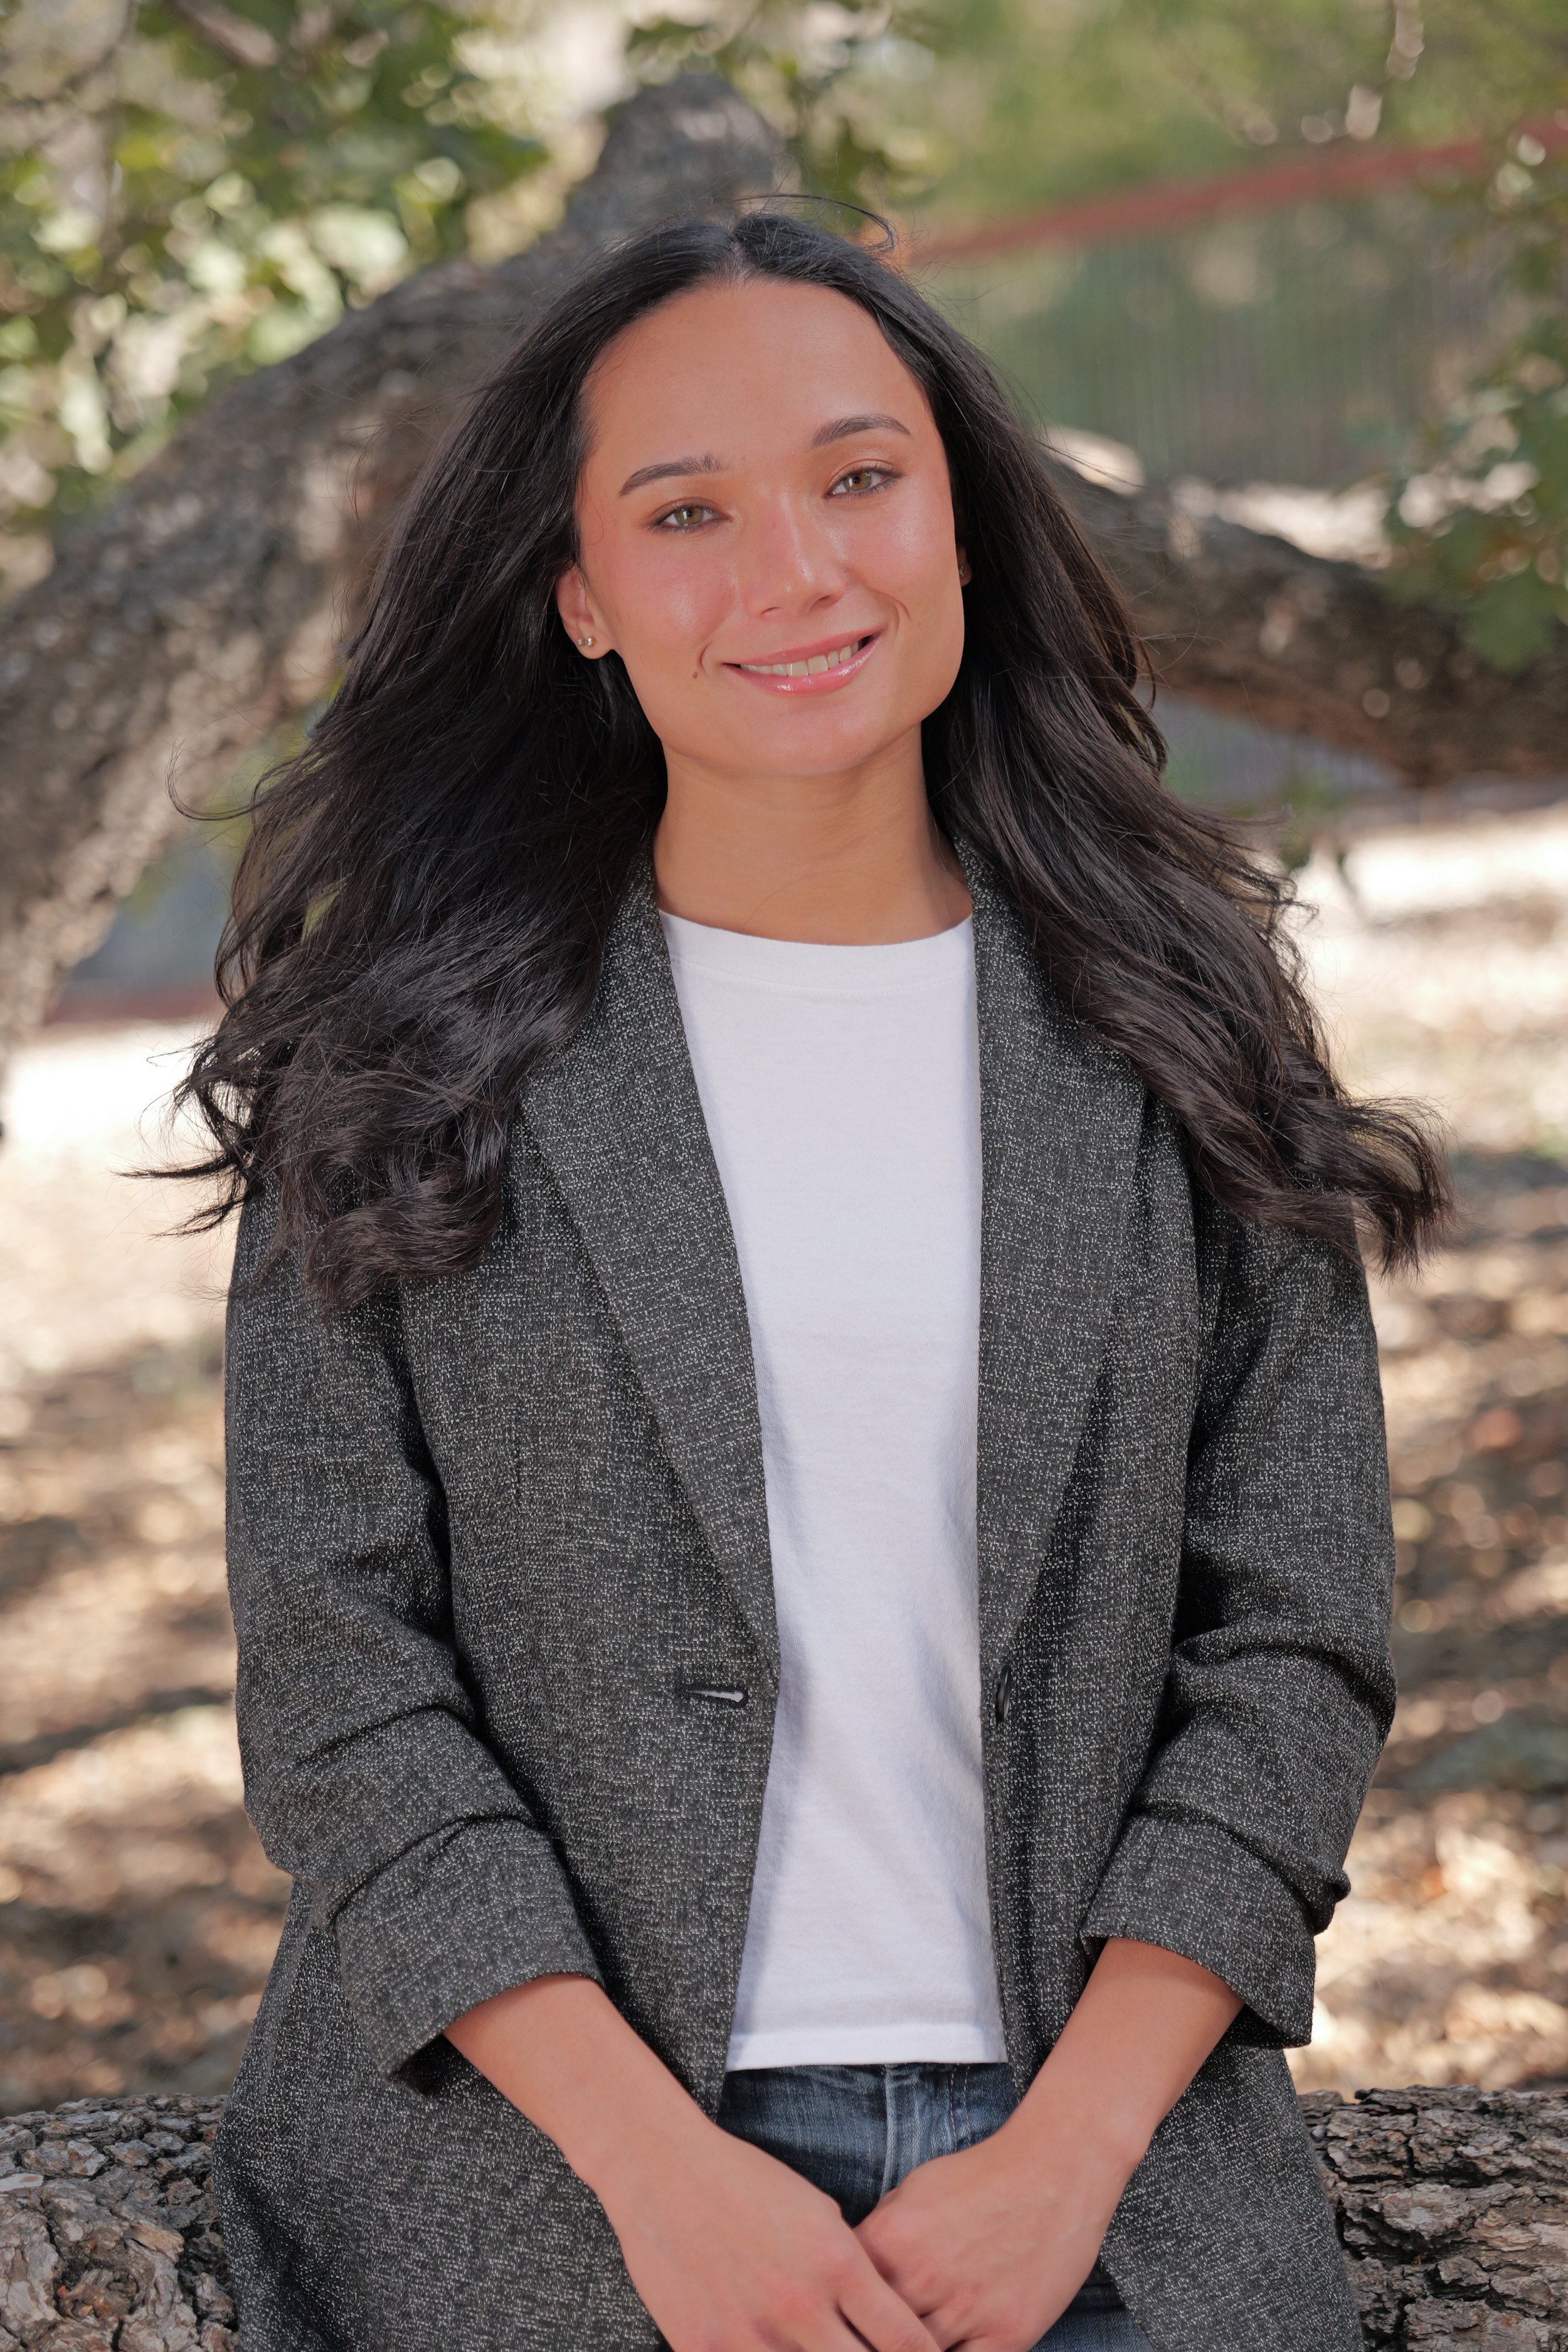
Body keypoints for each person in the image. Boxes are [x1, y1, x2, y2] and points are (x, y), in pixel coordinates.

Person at [182, 207, 1447, 2352]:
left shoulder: (1182, 1015)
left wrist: (1067, 2157)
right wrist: (661, 2174)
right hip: (541, 2193)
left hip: (1104, 2188)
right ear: (577, 592)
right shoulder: (397, 1058)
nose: (795, 571)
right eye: (687, 512)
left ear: (958, 517)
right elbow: (338, 1683)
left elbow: (1294, 1640)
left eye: (859, 477)